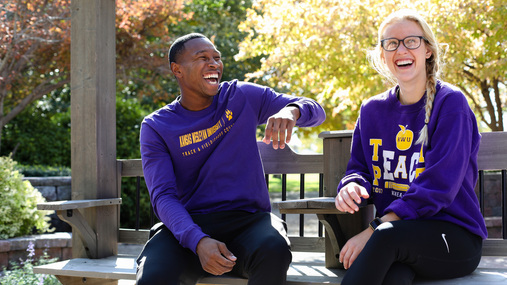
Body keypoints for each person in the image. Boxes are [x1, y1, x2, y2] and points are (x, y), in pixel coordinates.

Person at [136, 33, 326, 285]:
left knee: (273, 248)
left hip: (248, 220)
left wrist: (292, 110)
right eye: (202, 58)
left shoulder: (240, 96)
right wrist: (198, 241)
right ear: (177, 70)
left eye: (217, 57)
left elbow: (316, 111)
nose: (214, 63)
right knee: (154, 276)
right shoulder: (157, 125)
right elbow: (163, 196)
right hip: (188, 224)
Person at [334, 9, 487, 285]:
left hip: (454, 236)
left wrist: (374, 228)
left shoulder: (451, 104)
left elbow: (438, 187)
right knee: (394, 277)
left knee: (387, 239)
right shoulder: (371, 110)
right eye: (391, 43)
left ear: (427, 49)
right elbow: (358, 168)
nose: (401, 49)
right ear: (383, 55)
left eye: (411, 41)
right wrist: (351, 185)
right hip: (400, 237)